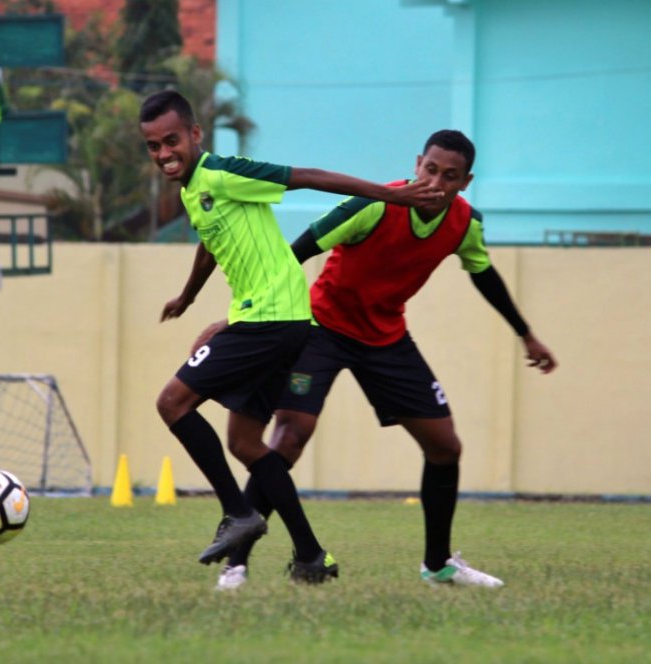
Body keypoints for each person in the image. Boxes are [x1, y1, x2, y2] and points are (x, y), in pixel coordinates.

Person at [213, 129, 557, 590]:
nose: (436, 182)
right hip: (321, 328)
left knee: (445, 446)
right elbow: (295, 252)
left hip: (386, 338)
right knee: (290, 435)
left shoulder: (464, 223)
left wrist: (526, 335)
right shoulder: (374, 205)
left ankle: (438, 565)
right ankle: (237, 563)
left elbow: (483, 273)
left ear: (465, 182)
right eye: (430, 169)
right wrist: (247, 316)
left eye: (449, 176)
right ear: (418, 164)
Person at [139, 90, 444, 582]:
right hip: (277, 323)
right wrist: (188, 297)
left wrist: (396, 195)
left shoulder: (223, 171)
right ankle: (310, 556)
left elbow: (310, 178)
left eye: (171, 140)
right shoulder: (194, 190)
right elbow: (210, 243)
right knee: (245, 442)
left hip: (272, 320)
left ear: (195, 135)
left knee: (172, 403)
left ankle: (238, 515)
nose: (164, 153)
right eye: (153, 146)